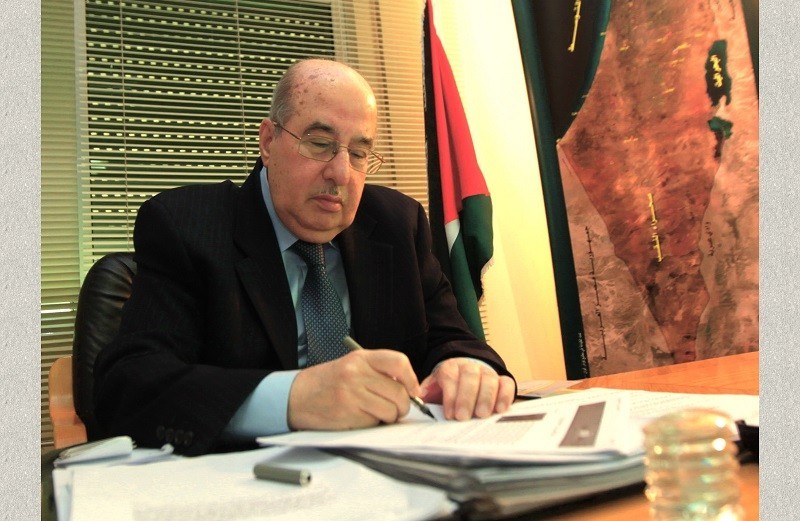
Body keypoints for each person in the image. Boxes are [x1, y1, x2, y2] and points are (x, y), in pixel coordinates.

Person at [93, 58, 516, 456]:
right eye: (319, 144)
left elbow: (453, 339)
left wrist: (465, 365)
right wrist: (293, 398)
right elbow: (130, 387)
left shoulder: (397, 224)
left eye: (358, 153)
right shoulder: (187, 227)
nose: (341, 173)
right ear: (268, 142)